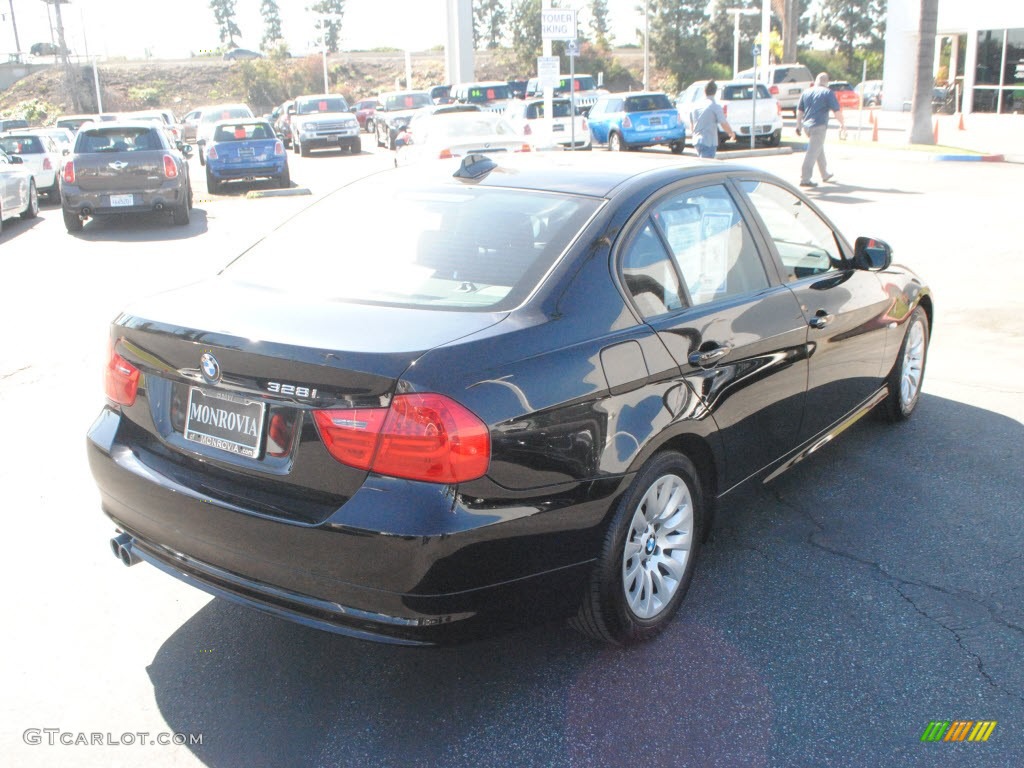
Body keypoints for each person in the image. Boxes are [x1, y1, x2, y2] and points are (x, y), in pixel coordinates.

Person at [796, 72, 846, 187]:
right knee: (812, 153)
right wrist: (843, 124)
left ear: (816, 81)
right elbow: (836, 111)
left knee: (818, 148)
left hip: (807, 126)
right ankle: (805, 179)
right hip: (818, 126)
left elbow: (800, 110)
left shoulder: (807, 91)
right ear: (826, 82)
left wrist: (798, 125)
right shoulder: (827, 93)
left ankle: (824, 173)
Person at [688, 81, 736, 159]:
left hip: (697, 141)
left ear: (704, 91)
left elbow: (692, 124)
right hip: (708, 141)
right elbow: (723, 123)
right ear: (715, 92)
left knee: (701, 163)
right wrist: (731, 133)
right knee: (706, 167)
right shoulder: (715, 106)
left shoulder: (695, 106)